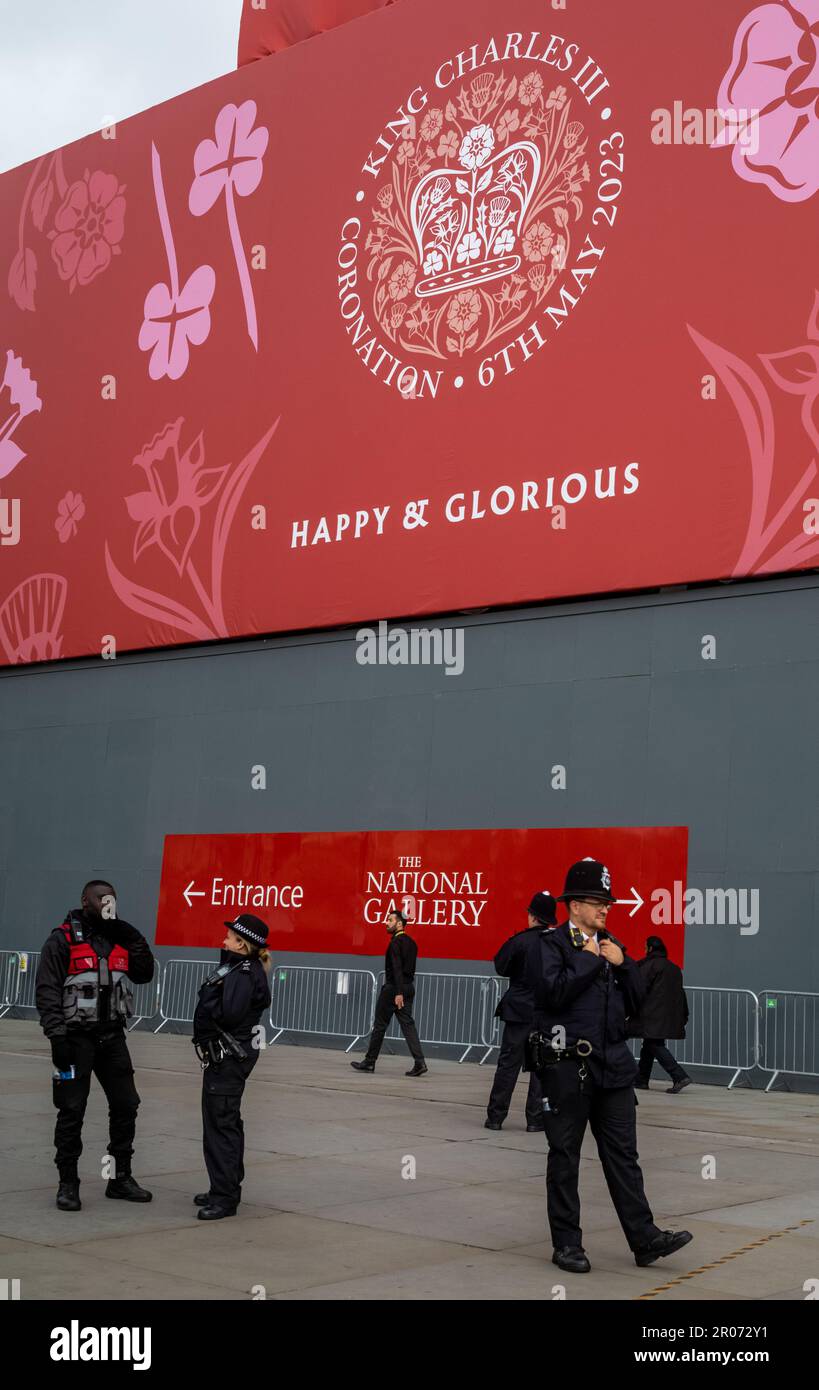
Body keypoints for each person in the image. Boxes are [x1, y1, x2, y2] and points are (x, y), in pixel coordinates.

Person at [532, 858, 693, 1274]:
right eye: (596, 901)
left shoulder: (613, 945)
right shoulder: (551, 945)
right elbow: (551, 993)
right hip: (567, 1067)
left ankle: (645, 1239)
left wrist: (623, 965)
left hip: (614, 1069)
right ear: (573, 905)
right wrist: (589, 960)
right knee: (564, 1156)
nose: (605, 909)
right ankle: (567, 1244)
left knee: (624, 1157)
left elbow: (640, 1002)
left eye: (608, 902)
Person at [35, 879, 155, 1212]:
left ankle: (119, 1179)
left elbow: (145, 972)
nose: (107, 903)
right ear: (85, 901)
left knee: (126, 1105)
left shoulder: (118, 938)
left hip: (112, 1037)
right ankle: (68, 1184)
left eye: (112, 899)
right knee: (71, 1110)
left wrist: (128, 932)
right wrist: (56, 1037)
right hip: (75, 1041)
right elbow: (46, 991)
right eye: (101, 898)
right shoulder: (61, 940)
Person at [192, 914, 272, 1220]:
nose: (223, 941)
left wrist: (209, 996)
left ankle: (225, 1197)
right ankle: (222, 1187)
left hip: (227, 1058)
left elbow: (228, 1014)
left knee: (221, 1125)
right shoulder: (239, 967)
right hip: (226, 1057)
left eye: (229, 937)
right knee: (224, 1121)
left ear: (242, 943)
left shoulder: (243, 973)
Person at [485, 891, 558, 1132]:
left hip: (518, 1010)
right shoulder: (558, 942)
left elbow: (501, 966)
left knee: (508, 1065)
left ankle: (495, 1117)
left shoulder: (520, 941)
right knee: (541, 1067)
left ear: (532, 916)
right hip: (546, 1012)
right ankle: (535, 1119)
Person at [351, 908, 427, 1076]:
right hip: (408, 987)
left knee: (380, 1025)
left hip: (394, 989)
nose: (387, 923)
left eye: (390, 920)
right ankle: (420, 1062)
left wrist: (398, 992)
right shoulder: (412, 943)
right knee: (408, 1025)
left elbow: (397, 969)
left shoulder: (395, 943)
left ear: (399, 924)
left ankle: (370, 1062)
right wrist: (403, 990)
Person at [633, 936, 691, 1094]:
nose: (644, 950)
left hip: (652, 1015)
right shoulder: (673, 968)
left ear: (650, 948)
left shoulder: (650, 966)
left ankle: (679, 1075)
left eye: (645, 947)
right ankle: (641, 1080)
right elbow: (681, 994)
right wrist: (684, 1014)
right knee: (649, 1045)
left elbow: (639, 988)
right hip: (666, 1015)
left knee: (654, 1045)